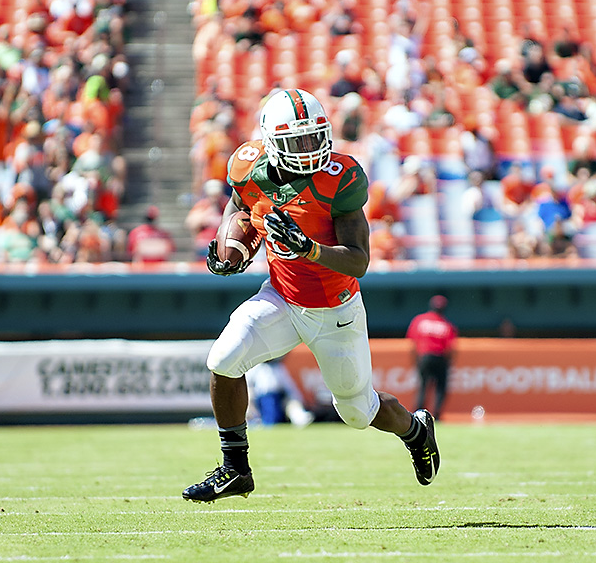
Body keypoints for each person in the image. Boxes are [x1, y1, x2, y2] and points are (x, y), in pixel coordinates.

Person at [182, 88, 440, 502]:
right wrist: (228, 248)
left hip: (335, 309)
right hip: (281, 297)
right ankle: (235, 469)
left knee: (358, 411)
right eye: (296, 141)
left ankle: (415, 429)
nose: (308, 149)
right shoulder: (247, 167)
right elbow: (238, 208)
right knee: (223, 359)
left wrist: (311, 249)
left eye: (313, 137)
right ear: (270, 140)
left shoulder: (342, 178)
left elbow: (359, 261)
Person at [406, 295, 459, 420]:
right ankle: (437, 415)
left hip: (424, 357)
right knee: (440, 388)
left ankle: (417, 414)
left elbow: (413, 343)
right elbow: (451, 348)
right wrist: (449, 363)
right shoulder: (446, 325)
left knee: (423, 386)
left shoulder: (420, 320)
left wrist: (415, 360)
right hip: (440, 357)